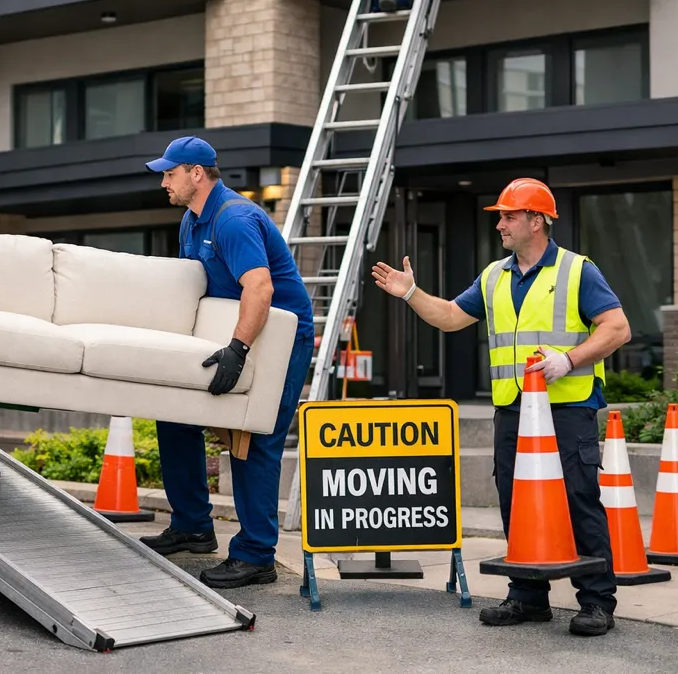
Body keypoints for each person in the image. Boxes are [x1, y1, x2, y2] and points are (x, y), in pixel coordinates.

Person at [371, 177, 631, 637]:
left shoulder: (576, 271)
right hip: (513, 412)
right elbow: (451, 317)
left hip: (567, 410)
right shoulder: (494, 275)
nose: (501, 225)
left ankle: (596, 602)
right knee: (516, 503)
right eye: (500, 217)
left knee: (579, 502)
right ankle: (528, 597)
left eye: (509, 216)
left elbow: (617, 329)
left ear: (537, 220)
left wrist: (567, 360)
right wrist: (411, 293)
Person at [137, 136, 316, 589]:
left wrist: (238, 350)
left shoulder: (234, 218)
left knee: (256, 438)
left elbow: (260, 289)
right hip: (229, 332)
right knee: (175, 416)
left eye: (169, 173)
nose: (164, 182)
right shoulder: (191, 220)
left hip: (279, 339)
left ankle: (257, 555)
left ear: (197, 173)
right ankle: (193, 526)